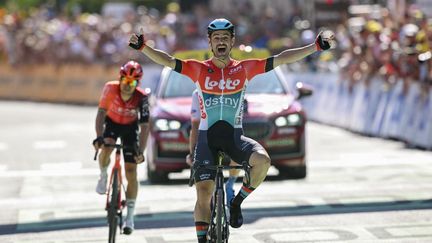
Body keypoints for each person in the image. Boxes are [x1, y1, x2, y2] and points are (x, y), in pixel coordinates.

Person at [129, 18, 334, 243]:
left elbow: (282, 58)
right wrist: (143, 48)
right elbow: (167, 60)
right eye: (216, 38)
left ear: (232, 41)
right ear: (210, 42)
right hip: (207, 140)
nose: (221, 42)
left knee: (263, 162)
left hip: (235, 138)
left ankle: (236, 202)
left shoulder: (245, 69)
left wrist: (314, 47)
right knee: (204, 194)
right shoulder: (198, 69)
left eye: (225, 38)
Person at [92, 60, 150, 235]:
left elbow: (145, 126)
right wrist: (99, 136)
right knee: (106, 148)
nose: (127, 85)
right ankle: (103, 175)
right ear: (120, 79)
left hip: (130, 129)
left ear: (137, 83)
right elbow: (101, 113)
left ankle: (130, 217)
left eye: (132, 83)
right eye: (125, 81)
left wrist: (141, 150)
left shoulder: (142, 97)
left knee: (131, 172)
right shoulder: (110, 88)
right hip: (112, 124)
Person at [186, 89, 240, 205]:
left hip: (228, 135)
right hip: (207, 139)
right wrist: (192, 152)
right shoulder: (197, 93)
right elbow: (195, 125)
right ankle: (211, 194)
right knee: (204, 173)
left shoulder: (234, 87)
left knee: (238, 154)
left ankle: (230, 185)